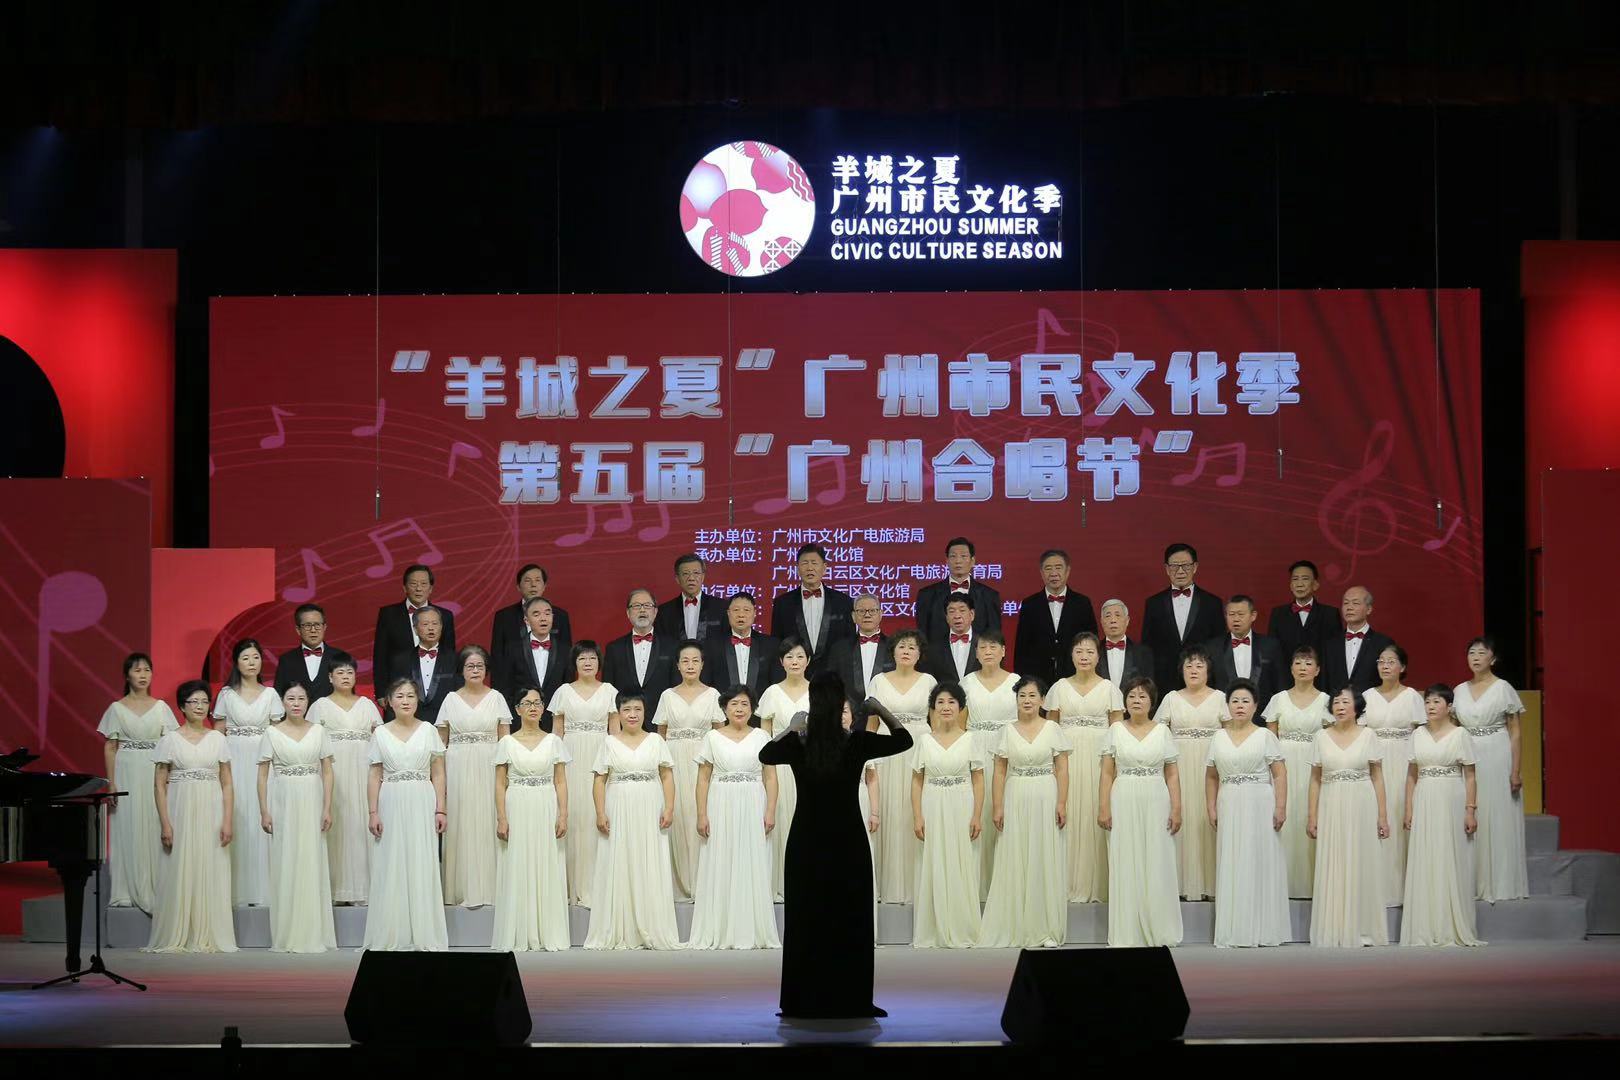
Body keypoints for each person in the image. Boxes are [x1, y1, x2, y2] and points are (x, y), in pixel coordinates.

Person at [759, 674, 914, 1018]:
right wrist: (879, 710)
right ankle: (854, 998)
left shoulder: (800, 743)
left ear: (814, 705)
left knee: (807, 919)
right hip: (847, 840)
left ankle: (801, 999)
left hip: (807, 840)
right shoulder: (856, 742)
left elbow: (766, 753)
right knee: (851, 918)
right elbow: (904, 740)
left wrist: (791, 727)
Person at [979, 676, 1070, 948]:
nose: (1027, 701)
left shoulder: (1053, 729)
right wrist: (998, 806)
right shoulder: (1006, 731)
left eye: (1032, 695)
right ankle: (1015, 925)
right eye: (1022, 696)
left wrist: (1061, 802)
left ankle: (1045, 928)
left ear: (1042, 700)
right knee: (1015, 856)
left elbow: (1062, 769)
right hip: (1016, 795)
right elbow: (999, 771)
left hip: (1046, 794)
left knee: (1044, 857)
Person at [145, 680, 236, 953]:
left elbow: (227, 783)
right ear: (182, 706)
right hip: (180, 810)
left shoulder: (218, 739)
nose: (200, 706)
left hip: (212, 809)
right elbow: (159, 784)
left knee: (211, 865)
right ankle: (178, 931)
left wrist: (227, 820)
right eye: (194, 702)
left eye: (204, 702)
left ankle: (209, 931)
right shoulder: (169, 740)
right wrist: (165, 823)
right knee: (179, 866)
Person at [584, 695, 681, 950]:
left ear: (645, 712)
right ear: (618, 713)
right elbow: (599, 780)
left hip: (650, 806)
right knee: (619, 859)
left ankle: (651, 925)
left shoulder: (656, 741)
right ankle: (620, 927)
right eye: (627, 709)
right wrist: (600, 812)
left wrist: (669, 807)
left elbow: (667, 776)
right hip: (618, 806)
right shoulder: (608, 742)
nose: (633, 714)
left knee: (649, 859)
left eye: (638, 709)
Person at [689, 685, 780, 950]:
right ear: (724, 709)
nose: (739, 709)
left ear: (752, 709)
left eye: (744, 704)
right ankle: (719, 927)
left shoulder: (762, 736)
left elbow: (770, 776)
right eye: (734, 704)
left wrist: (770, 810)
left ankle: (751, 929)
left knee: (752, 860)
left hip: (753, 802)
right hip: (721, 803)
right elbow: (703, 779)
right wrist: (702, 814)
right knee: (721, 858)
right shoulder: (712, 737)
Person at [1098, 676, 1183, 947]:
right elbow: (1107, 773)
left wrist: (1177, 808)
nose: (1136, 700)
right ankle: (1128, 929)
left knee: (1156, 858)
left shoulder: (1162, 732)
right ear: (1125, 701)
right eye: (1132, 696)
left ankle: (1159, 926)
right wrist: (1103, 807)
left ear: (1151, 702)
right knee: (1126, 858)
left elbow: (1172, 774)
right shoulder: (1115, 730)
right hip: (1123, 797)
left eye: (1142, 696)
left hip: (1156, 798)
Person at [364, 678, 449, 951]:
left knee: (421, 860)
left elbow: (438, 772)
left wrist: (441, 808)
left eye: (411, 695)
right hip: (391, 800)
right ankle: (393, 930)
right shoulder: (380, 733)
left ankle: (424, 931)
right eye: (399, 696)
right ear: (389, 701)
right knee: (391, 862)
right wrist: (373, 812)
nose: (405, 701)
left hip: (422, 799)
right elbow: (374, 775)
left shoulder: (428, 731)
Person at [1206, 679, 1290, 947]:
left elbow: (1279, 773)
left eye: (1245, 701)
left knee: (1258, 858)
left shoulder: (1266, 736)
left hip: (1259, 803)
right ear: (1227, 706)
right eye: (1235, 701)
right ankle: (1234, 928)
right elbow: (1211, 776)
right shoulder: (1218, 737)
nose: (1240, 706)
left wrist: (1280, 807)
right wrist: (1211, 806)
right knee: (1233, 859)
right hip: (1229, 801)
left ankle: (1262, 928)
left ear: (1255, 706)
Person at [491, 684, 572, 952]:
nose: (533, 708)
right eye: (527, 703)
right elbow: (500, 783)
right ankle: (518, 930)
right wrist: (502, 818)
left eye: (537, 703)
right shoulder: (506, 743)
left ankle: (547, 930)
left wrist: (563, 814)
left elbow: (560, 781)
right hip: (517, 804)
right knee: (518, 863)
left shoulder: (554, 741)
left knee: (546, 861)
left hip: (545, 804)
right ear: (517, 710)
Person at [256, 684, 336, 952]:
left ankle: (314, 930)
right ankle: (288, 931)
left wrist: (327, 807)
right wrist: (264, 810)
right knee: (287, 858)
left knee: (312, 857)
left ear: (308, 701)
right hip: (283, 800)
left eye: (301, 698)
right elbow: (262, 775)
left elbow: (327, 772)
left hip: (312, 798)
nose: (296, 703)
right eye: (291, 698)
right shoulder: (271, 733)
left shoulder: (319, 731)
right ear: (282, 702)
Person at [1307, 687, 1390, 946]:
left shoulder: (1368, 735)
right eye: (1336, 702)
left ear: (1357, 707)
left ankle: (1363, 928)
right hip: (1331, 802)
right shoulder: (1321, 736)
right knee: (1334, 861)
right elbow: (1315, 779)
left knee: (1362, 860)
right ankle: (1333, 928)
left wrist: (1382, 816)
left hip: (1362, 802)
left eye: (1345, 702)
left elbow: (1378, 777)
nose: (1340, 706)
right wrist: (1312, 815)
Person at [1401, 686, 1483, 946]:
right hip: (1424, 798)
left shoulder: (1460, 734)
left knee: (1450, 855)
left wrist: (1470, 810)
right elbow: (1411, 776)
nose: (1431, 706)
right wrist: (1408, 808)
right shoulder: (1417, 734)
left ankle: (1451, 923)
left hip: (1452, 798)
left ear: (1449, 707)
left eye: (1437, 702)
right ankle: (1425, 926)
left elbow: (1470, 776)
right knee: (1426, 856)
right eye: (1428, 702)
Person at [1043, 632, 1122, 903]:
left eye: (1090, 651)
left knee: (1095, 812)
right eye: (1079, 651)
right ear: (1071, 656)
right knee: (1067, 813)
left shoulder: (1110, 689)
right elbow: (1050, 729)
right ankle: (1064, 883)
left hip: (1100, 761)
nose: (1084, 656)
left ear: (1098, 656)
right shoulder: (1059, 688)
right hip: (1066, 761)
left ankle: (1097, 884)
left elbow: (1118, 733)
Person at [99, 652, 178, 912]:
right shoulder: (116, 709)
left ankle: (159, 886)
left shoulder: (161, 708)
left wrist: (170, 776)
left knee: (156, 822)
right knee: (128, 823)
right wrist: (111, 783)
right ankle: (124, 889)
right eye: (137, 670)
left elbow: (171, 745)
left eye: (147, 670)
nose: (143, 675)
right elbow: (110, 747)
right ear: (127, 676)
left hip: (155, 771)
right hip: (127, 771)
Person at [1453, 636, 1528, 901]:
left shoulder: (1503, 688)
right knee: (1471, 811)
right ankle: (1471, 881)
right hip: (1467, 755)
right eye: (1471, 653)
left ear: (1493, 659)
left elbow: (1515, 732)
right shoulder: (1459, 690)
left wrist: (1515, 770)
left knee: (1497, 814)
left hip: (1497, 753)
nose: (1475, 657)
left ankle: (1500, 881)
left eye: (1481, 653)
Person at [910, 683, 984, 948]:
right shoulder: (924, 741)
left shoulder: (971, 739)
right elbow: (917, 781)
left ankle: (963, 926)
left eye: (952, 702)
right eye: (940, 702)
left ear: (961, 707)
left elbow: (978, 780)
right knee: (934, 861)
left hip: (962, 803)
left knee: (962, 862)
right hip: (932, 802)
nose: (946, 707)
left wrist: (977, 815)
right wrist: (917, 816)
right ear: (933, 708)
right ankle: (934, 927)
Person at [867, 629, 937, 903]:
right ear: (893, 652)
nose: (906, 651)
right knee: (888, 809)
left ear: (920, 654)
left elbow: (936, 723)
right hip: (886, 749)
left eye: (912, 647)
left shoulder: (929, 681)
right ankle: (887, 884)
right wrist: (866, 757)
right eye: (902, 647)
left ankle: (916, 885)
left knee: (915, 809)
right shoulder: (878, 681)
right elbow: (872, 723)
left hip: (918, 747)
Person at [1154, 645, 1228, 900]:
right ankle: (1179, 885)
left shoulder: (1220, 698)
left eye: (1199, 665)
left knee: (1209, 818)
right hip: (1178, 767)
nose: (1194, 670)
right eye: (1189, 666)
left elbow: (1232, 734)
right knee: (1179, 816)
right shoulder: (1171, 698)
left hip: (1212, 767)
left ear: (1208, 670)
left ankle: (1212, 885)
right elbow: (1158, 735)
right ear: (1181, 671)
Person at [214, 638, 284, 907]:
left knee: (262, 815)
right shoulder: (226, 695)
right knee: (238, 814)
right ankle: (237, 891)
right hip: (234, 759)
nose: (251, 663)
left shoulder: (271, 695)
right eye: (245, 658)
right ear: (236, 662)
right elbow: (218, 733)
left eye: (255, 657)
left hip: (263, 762)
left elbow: (278, 733)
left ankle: (264, 890)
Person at [549, 640, 620, 906]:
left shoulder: (610, 691)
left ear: (599, 662)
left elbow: (615, 733)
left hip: (600, 756)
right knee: (574, 814)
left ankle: (598, 886)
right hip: (571, 758)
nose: (587, 663)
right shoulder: (563, 692)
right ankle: (571, 885)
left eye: (592, 658)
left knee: (597, 815)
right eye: (582, 658)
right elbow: (557, 734)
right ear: (575, 663)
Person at [437, 645, 508, 908]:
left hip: (490, 765)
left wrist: (507, 775)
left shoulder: (497, 698)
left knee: (489, 820)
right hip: (458, 767)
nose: (475, 670)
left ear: (486, 669)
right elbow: (440, 745)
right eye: (470, 666)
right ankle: (460, 888)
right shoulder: (450, 700)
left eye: (480, 666)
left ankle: (492, 888)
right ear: (462, 670)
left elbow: (505, 742)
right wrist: (440, 781)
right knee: (462, 822)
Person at [307, 653, 380, 904]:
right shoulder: (319, 706)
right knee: (336, 824)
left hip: (363, 771)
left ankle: (365, 889)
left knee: (362, 823)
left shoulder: (367, 705)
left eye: (350, 672)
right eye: (340, 672)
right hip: (333, 772)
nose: (346, 677)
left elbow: (380, 740)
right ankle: (336, 890)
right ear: (330, 677)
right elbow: (310, 742)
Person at [656, 640, 724, 901]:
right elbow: (660, 736)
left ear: (703, 664)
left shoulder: (713, 695)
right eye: (685, 661)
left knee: (701, 814)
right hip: (674, 762)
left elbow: (719, 735)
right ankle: (679, 883)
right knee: (678, 814)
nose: (690, 665)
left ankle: (704, 882)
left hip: (703, 763)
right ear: (677, 665)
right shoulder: (667, 695)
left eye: (695, 660)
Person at [1363, 642, 1426, 905]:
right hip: (1373, 765)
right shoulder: (1367, 696)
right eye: (1381, 661)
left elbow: (1422, 734)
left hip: (1404, 763)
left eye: (1391, 661)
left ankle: (1403, 890)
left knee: (1402, 817)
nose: (1385, 666)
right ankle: (1374, 889)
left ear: (1402, 667)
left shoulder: (1412, 697)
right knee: (1376, 817)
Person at [1265, 645, 1330, 897]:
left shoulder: (1326, 701)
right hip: (1283, 766)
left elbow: (1330, 740)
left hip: (1314, 768)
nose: (1303, 668)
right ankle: (1281, 885)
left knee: (1309, 815)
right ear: (1291, 668)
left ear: (1318, 670)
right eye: (1298, 663)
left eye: (1308, 663)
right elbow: (1270, 741)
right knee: (1283, 817)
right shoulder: (1278, 699)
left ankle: (1311, 885)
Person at [756, 639, 813, 902]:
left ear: (808, 661)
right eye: (789, 657)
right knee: (780, 823)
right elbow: (765, 737)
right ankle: (779, 883)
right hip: (779, 767)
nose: (794, 662)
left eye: (799, 656)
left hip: (810, 766)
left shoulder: (817, 692)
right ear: (781, 662)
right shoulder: (771, 693)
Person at [961, 633, 1017, 900]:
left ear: (1004, 651)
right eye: (982, 647)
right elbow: (960, 724)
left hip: (1008, 752)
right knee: (977, 812)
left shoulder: (1016, 682)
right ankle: (976, 885)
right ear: (976, 653)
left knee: (1005, 811)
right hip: (975, 749)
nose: (988, 651)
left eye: (993, 646)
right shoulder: (967, 682)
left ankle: (1004, 885)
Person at [1140, 543, 1225, 692]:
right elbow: (1147, 648)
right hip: (1164, 683)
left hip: (1202, 682)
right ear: (1167, 569)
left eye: (1185, 565)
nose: (1180, 571)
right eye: (1174, 566)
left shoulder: (1212, 603)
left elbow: (1219, 647)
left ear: (1195, 567)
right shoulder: (1154, 603)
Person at [1013, 548, 1099, 683]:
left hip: (1075, 677)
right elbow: (1022, 647)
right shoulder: (1030, 604)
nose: (1053, 573)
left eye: (1058, 568)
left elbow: (1092, 641)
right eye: (1048, 568)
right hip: (1038, 679)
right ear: (1041, 573)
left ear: (1067, 571)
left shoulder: (1082, 603)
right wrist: (1023, 681)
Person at [372, 563, 458, 696]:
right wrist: (381, 693)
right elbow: (380, 656)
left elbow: (449, 655)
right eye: (413, 584)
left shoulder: (444, 615)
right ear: (404, 587)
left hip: (436, 690)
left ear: (431, 588)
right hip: (399, 690)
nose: (418, 588)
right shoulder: (388, 614)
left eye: (423, 584)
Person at [771, 543, 855, 676]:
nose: (809, 568)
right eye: (805, 563)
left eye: (814, 563)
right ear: (797, 568)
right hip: (795, 677)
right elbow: (777, 645)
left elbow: (849, 643)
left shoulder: (843, 602)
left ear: (824, 567)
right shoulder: (782, 603)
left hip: (833, 678)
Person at [602, 588, 677, 727]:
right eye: (636, 606)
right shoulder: (614, 648)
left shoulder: (672, 646)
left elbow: (676, 688)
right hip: (624, 725)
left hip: (661, 723)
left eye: (647, 605)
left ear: (655, 611)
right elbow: (609, 691)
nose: (642, 610)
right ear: (628, 613)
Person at [1266, 561, 1342, 687]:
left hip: (1321, 684)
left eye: (1305, 579)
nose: (1299, 584)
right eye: (1295, 579)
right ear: (1290, 585)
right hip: (1286, 684)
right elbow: (1273, 653)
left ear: (1315, 585)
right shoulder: (1278, 614)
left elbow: (1335, 654)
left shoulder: (1330, 614)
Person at [916, 536, 1002, 647]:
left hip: (977, 656)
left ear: (972, 561)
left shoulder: (989, 596)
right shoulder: (927, 595)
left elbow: (995, 637)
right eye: (953, 556)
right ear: (947, 561)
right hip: (939, 657)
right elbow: (922, 637)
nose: (958, 561)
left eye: (963, 556)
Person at [1205, 595, 1287, 707]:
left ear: (1253, 616)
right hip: (1224, 712)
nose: (1236, 619)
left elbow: (1280, 685)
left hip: (1262, 713)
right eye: (1231, 614)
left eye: (1241, 614)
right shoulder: (1212, 647)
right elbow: (1208, 685)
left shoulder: (1270, 646)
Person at [387, 606, 462, 725]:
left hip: (446, 724)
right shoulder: (401, 661)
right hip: (411, 725)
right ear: (415, 629)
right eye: (425, 624)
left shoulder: (455, 659)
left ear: (441, 627)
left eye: (435, 623)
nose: (431, 628)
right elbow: (394, 695)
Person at [490, 563, 573, 669]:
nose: (533, 585)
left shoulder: (560, 616)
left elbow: (567, 656)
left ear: (544, 586)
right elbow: (497, 656)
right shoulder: (504, 617)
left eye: (537, 580)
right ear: (518, 587)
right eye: (527, 580)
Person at [701, 591, 782, 698]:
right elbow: (706, 684)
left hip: (761, 707)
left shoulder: (771, 645)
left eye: (746, 610)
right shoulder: (712, 645)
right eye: (736, 610)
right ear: (728, 613)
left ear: (754, 613)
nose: (741, 615)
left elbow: (776, 685)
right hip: (722, 707)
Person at [824, 592, 894, 707]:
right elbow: (832, 684)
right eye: (861, 611)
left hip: (886, 712)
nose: (867, 615)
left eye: (872, 610)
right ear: (853, 616)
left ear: (881, 614)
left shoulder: (894, 646)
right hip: (849, 713)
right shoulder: (839, 648)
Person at [495, 596, 570, 704]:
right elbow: (506, 687)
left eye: (547, 613)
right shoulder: (513, 649)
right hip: (522, 712)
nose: (543, 618)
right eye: (536, 614)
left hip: (555, 712)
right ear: (526, 620)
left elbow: (568, 687)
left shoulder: (565, 650)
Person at [1324, 586, 1393, 696]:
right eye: (1346, 603)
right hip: (1337, 704)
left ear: (1369, 609)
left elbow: (1390, 680)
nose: (1349, 607)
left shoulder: (1383, 643)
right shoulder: (1330, 644)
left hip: (1372, 703)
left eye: (1355, 603)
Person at [274, 603, 341, 702]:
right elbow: (279, 696)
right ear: (298, 630)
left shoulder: (339, 658)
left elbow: (348, 695)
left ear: (324, 627)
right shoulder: (286, 660)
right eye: (307, 625)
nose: (313, 630)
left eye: (317, 625)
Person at [656, 553, 728, 642]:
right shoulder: (664, 611)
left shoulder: (721, 607)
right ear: (677, 579)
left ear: (703, 577)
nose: (691, 578)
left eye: (696, 573)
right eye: (685, 573)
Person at [924, 595, 984, 681]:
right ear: (947, 618)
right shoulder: (934, 648)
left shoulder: (985, 645)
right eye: (952, 611)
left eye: (962, 610)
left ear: (972, 614)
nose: (957, 616)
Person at [1098, 599, 1155, 688]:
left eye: (1118, 615)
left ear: (1127, 620)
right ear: (1101, 622)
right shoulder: (1093, 651)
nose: (1113, 620)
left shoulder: (1143, 653)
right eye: (1108, 616)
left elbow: (1149, 688)